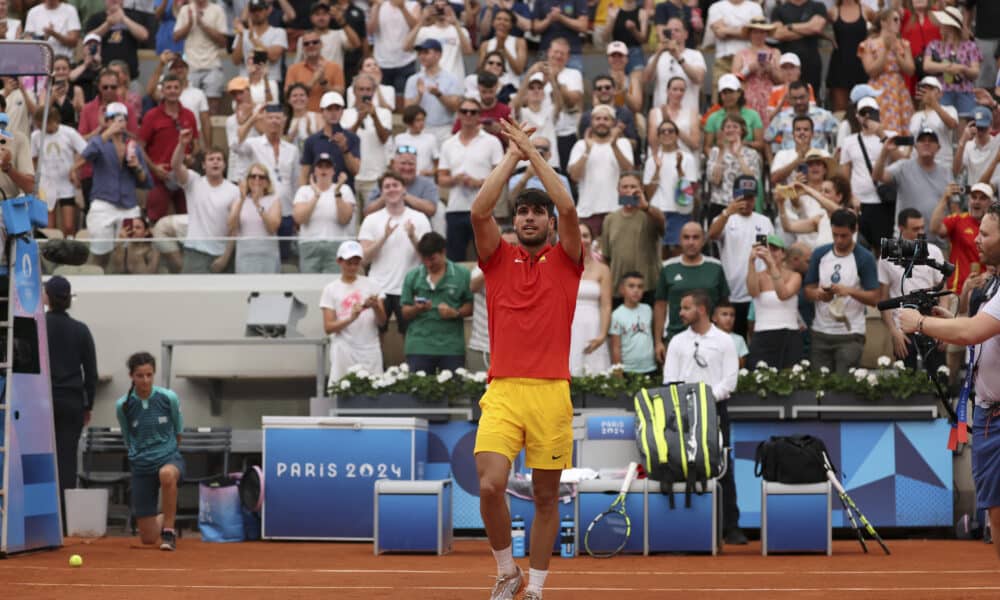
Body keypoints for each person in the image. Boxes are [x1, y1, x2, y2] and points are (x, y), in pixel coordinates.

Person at [472, 120, 582, 600]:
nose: (531, 218)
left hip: (551, 393)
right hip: (504, 391)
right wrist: (513, 157)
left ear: (550, 224)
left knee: (544, 497)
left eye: (539, 212)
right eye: (523, 213)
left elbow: (569, 205)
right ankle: (506, 571)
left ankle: (535, 588)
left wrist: (535, 154)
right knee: (491, 486)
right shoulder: (497, 259)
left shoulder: (567, 261)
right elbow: (479, 211)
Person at [897, 201, 1000, 560]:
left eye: (985, 234)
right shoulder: (994, 284)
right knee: (995, 512)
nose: (978, 241)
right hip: (989, 414)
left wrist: (922, 323)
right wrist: (947, 321)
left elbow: (973, 331)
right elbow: (977, 332)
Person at [662, 289, 744, 545]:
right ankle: (690, 525)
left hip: (715, 409)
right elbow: (670, 380)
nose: (681, 312)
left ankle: (731, 526)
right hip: (683, 412)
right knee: (685, 465)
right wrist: (687, 401)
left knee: (722, 465)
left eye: (686, 308)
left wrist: (706, 399)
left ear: (701, 310)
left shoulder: (724, 341)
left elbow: (730, 379)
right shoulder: (677, 341)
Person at [44, 275, 97, 534]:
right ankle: (64, 522)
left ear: (47, 297)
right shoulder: (81, 329)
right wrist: (89, 405)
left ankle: (41, 516)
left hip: (41, 402)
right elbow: (91, 372)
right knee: (67, 461)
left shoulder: (37, 325)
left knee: (41, 457)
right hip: (72, 402)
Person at [115, 351, 183, 551]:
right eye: (140, 375)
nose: (145, 380)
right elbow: (128, 436)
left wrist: (168, 452)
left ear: (154, 374)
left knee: (167, 474)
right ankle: (164, 517)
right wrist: (139, 456)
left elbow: (178, 431)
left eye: (149, 375)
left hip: (169, 458)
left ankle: (169, 531)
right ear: (131, 376)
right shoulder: (123, 405)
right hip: (142, 465)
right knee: (148, 538)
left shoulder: (168, 398)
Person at [803, 209, 880, 374]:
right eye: (835, 234)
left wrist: (849, 291)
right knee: (819, 387)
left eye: (844, 235)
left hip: (851, 333)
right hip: (820, 331)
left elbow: (875, 297)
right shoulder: (820, 254)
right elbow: (808, 290)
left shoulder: (864, 257)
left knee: (843, 388)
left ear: (854, 230)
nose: (839, 240)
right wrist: (820, 294)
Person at [358, 170, 433, 335]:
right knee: (375, 334)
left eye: (395, 185)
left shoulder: (420, 218)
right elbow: (363, 259)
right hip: (378, 287)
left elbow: (428, 259)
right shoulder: (371, 219)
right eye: (387, 187)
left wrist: (413, 237)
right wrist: (384, 237)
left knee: (410, 336)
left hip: (408, 288)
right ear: (382, 192)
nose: (391, 189)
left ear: (404, 189)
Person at [81, 102, 150, 268]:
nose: (119, 122)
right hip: (103, 204)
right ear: (107, 120)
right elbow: (85, 156)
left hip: (128, 205)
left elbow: (145, 181)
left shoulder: (132, 146)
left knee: (129, 256)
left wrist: (137, 167)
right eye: (114, 118)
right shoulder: (99, 142)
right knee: (100, 254)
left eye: (123, 119)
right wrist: (106, 133)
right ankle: (96, 285)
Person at [879, 208, 946, 369]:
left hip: (931, 323)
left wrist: (944, 327)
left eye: (923, 227)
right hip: (902, 328)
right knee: (906, 383)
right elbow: (884, 299)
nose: (921, 232)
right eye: (916, 229)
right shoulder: (887, 255)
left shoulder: (934, 251)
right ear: (901, 228)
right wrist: (894, 332)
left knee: (939, 377)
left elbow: (944, 293)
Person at [438, 97, 504, 261]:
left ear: (479, 115)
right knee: (454, 258)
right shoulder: (448, 144)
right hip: (455, 208)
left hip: (484, 208)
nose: (468, 115)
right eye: (464, 111)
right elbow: (441, 179)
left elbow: (501, 176)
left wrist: (479, 183)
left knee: (489, 257)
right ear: (458, 114)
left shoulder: (492, 142)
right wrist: (455, 179)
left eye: (473, 112)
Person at [708, 174, 774, 338]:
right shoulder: (725, 219)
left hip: (757, 292)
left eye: (750, 198)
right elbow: (712, 235)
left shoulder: (764, 221)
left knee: (755, 338)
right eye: (741, 197)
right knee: (732, 339)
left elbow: (768, 253)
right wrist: (726, 213)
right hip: (732, 292)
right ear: (734, 196)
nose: (745, 202)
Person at [653, 221, 729, 358]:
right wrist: (658, 342)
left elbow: (724, 305)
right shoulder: (668, 268)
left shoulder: (715, 267)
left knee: (705, 380)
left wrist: (724, 337)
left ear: (703, 240)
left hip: (710, 339)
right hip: (676, 337)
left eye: (695, 237)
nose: (691, 242)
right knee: (675, 379)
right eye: (686, 237)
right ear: (680, 240)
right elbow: (660, 306)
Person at [400, 231, 473, 372]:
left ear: (443, 252)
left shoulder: (462, 274)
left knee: (455, 391)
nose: (428, 264)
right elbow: (405, 312)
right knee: (418, 392)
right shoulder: (412, 276)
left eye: (432, 259)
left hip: (451, 347)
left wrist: (455, 313)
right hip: (419, 346)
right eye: (424, 259)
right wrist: (417, 309)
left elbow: (470, 306)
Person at [170, 130, 239, 274]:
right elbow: (176, 165)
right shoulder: (193, 182)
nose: (215, 162)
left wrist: (225, 258)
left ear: (224, 165)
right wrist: (182, 145)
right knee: (191, 296)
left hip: (222, 254)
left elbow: (234, 227)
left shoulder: (234, 190)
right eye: (211, 159)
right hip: (195, 251)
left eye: (219, 159)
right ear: (203, 165)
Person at [321, 240, 387, 383]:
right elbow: (328, 327)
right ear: (339, 261)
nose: (352, 267)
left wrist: (375, 306)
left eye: (356, 263)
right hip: (344, 349)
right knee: (341, 391)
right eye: (348, 263)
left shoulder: (372, 284)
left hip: (370, 348)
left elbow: (382, 322)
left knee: (374, 391)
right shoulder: (330, 289)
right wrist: (351, 318)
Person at [567, 104, 634, 236]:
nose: (601, 122)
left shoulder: (623, 143)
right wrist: (587, 150)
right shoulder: (580, 145)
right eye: (597, 119)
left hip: (617, 210)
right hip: (587, 211)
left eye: (606, 119)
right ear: (591, 122)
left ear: (613, 122)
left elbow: (628, 170)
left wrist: (614, 146)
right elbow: (574, 176)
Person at [139, 73, 197, 222]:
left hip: (183, 176)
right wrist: (154, 168)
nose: (172, 91)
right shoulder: (151, 116)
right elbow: (140, 147)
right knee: (154, 219)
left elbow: (195, 144)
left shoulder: (189, 115)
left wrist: (191, 157)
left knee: (188, 219)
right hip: (160, 177)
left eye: (176, 87)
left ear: (182, 89)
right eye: (168, 87)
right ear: (162, 91)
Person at [600, 172, 664, 305]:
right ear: (618, 189)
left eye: (633, 186)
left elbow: (662, 225)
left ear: (641, 188)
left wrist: (645, 206)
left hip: (647, 289)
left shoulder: (650, 214)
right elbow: (605, 258)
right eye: (625, 187)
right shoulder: (609, 219)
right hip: (619, 290)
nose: (629, 190)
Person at [839, 95, 893, 248]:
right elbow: (844, 175)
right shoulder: (849, 141)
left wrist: (882, 135)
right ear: (857, 116)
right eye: (864, 112)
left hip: (884, 201)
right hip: (859, 203)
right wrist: (849, 198)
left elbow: (901, 159)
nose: (868, 117)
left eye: (872, 112)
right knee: (859, 247)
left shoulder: (891, 135)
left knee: (884, 251)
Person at [873, 127, 949, 228]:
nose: (926, 143)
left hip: (937, 239)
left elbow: (954, 205)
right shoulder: (902, 167)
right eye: (922, 140)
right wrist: (885, 151)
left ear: (938, 147)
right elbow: (878, 176)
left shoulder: (946, 171)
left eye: (931, 140)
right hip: (907, 239)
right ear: (916, 146)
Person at [643, 117, 698, 257]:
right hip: (657, 212)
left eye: (670, 131)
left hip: (679, 212)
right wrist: (656, 170)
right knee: (657, 255)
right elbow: (648, 195)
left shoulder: (688, 158)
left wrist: (679, 169)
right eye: (663, 131)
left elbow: (688, 196)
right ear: (658, 136)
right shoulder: (651, 160)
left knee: (679, 254)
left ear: (677, 134)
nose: (667, 134)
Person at [746, 234, 803, 369]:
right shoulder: (758, 276)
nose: (770, 253)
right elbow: (753, 292)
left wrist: (771, 265)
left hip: (788, 334)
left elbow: (783, 294)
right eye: (767, 249)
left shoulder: (794, 276)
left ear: (783, 254)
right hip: (762, 334)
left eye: (775, 249)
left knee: (789, 379)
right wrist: (751, 261)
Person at [293, 154, 355, 273]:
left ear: (333, 171)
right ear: (314, 171)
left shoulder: (344, 189)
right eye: (320, 166)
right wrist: (316, 195)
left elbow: (344, 219)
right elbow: (300, 219)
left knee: (332, 285)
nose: (323, 170)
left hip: (335, 244)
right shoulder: (304, 191)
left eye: (327, 166)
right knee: (308, 287)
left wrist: (337, 193)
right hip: (309, 245)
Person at [30, 106, 86, 237]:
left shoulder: (69, 133)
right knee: (49, 227)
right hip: (46, 184)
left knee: (68, 226)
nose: (41, 128)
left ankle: (69, 251)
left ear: (54, 120)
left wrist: (75, 169)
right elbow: (33, 159)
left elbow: (86, 152)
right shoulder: (36, 136)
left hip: (66, 184)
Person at [858, 8, 915, 135]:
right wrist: (885, 49)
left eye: (900, 20)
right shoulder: (867, 44)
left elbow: (910, 70)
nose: (898, 23)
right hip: (878, 89)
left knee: (903, 128)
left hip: (898, 89)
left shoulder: (904, 44)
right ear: (883, 22)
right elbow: (871, 71)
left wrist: (895, 51)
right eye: (895, 19)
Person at [341, 73, 393, 206]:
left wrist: (374, 116)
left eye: (368, 89)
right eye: (361, 89)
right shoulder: (345, 114)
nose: (365, 93)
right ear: (354, 91)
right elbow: (344, 141)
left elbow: (384, 138)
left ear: (374, 91)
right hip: (352, 175)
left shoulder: (384, 113)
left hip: (375, 176)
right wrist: (359, 121)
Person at [931, 182, 992, 294]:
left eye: (983, 198)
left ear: (991, 203)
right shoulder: (959, 220)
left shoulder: (996, 227)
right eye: (974, 197)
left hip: (985, 291)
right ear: (969, 200)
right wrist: (945, 198)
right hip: (957, 291)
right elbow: (935, 228)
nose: (977, 201)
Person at [922, 6, 980, 119]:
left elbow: (976, 71)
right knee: (943, 125)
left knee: (964, 127)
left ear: (952, 26)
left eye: (943, 23)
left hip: (965, 93)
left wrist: (962, 69)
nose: (940, 26)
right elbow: (926, 65)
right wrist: (947, 67)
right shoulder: (934, 45)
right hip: (942, 92)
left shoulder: (970, 46)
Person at [570, 222, 612, 376]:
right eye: (578, 235)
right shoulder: (562, 267)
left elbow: (606, 306)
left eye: (586, 235)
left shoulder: (603, 269)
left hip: (593, 325)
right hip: (569, 326)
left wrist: (602, 335)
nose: (583, 239)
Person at [705, 114, 763, 223]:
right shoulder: (715, 152)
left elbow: (753, 180)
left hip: (743, 205)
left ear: (742, 130)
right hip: (719, 205)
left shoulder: (751, 153)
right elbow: (715, 180)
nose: (731, 130)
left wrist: (738, 156)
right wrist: (721, 152)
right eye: (727, 127)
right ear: (722, 131)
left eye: (735, 127)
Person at [405, 38, 463, 144]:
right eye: (420, 53)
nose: (422, 56)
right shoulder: (413, 79)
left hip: (444, 129)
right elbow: (407, 109)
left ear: (438, 55)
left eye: (426, 52)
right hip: (420, 129)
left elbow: (455, 107)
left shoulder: (452, 78)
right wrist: (419, 95)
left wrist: (439, 94)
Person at [644, 17, 705, 114]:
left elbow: (698, 78)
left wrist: (678, 56)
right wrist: (658, 53)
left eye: (677, 30)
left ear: (686, 34)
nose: (672, 33)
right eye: (669, 31)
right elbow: (646, 79)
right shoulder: (656, 57)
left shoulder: (695, 55)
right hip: (662, 118)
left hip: (688, 117)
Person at [228, 163, 282, 273]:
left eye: (261, 177)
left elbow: (272, 228)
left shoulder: (274, 200)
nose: (257, 179)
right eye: (253, 176)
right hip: (245, 256)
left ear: (267, 182)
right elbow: (231, 226)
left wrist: (257, 204)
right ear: (248, 180)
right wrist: (242, 200)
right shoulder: (238, 200)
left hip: (267, 256)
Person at [704, 0, 762, 103]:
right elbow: (719, 33)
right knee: (719, 101)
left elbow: (757, 33)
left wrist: (727, 29)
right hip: (724, 62)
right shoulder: (716, 7)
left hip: (748, 62)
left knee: (746, 100)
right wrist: (745, 30)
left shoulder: (755, 8)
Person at [770, 0, 828, 97]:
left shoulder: (818, 6)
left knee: (811, 97)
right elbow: (777, 34)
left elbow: (816, 28)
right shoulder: (778, 9)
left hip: (811, 63)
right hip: (787, 64)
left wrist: (789, 26)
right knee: (787, 96)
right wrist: (808, 29)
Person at [404, 0, 472, 81]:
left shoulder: (460, 31)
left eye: (443, 6)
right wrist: (422, 21)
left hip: (454, 80)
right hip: (429, 81)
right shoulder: (424, 31)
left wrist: (456, 23)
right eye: (437, 7)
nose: (440, 9)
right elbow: (406, 47)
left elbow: (468, 52)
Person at [766, 80, 838, 155]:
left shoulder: (824, 116)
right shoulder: (781, 117)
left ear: (809, 95)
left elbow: (838, 136)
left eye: (802, 97)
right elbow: (766, 139)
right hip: (789, 161)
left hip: (816, 161)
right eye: (795, 98)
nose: (798, 101)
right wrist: (772, 163)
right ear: (789, 98)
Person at [731, 17, 779, 129]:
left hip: (770, 98)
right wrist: (748, 69)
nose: (759, 35)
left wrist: (770, 69)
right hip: (748, 98)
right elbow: (733, 81)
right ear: (750, 34)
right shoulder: (740, 54)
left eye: (762, 32)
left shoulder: (775, 52)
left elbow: (781, 79)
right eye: (755, 32)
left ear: (766, 34)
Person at [283, 29, 346, 111]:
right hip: (302, 117)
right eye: (306, 44)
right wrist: (313, 80)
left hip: (327, 119)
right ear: (302, 48)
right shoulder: (293, 69)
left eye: (315, 42)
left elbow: (339, 95)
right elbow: (287, 96)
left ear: (321, 44)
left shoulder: (335, 67)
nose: (311, 45)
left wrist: (323, 82)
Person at [609, 271, 657, 377]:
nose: (636, 290)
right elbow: (615, 347)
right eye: (631, 286)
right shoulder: (617, 315)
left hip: (650, 368)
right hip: (628, 369)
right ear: (622, 289)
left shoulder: (648, 309)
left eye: (640, 287)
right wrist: (618, 372)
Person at [231, 0, 288, 86]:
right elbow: (236, 61)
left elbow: (273, 57)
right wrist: (242, 36)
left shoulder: (279, 32)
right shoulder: (242, 33)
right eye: (253, 11)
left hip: (270, 80)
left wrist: (253, 40)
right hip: (246, 80)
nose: (257, 13)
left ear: (268, 11)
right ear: (249, 13)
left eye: (260, 10)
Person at [826, 0, 868, 113]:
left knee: (863, 108)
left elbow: (879, 24)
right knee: (840, 110)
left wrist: (871, 41)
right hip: (839, 65)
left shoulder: (865, 9)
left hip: (861, 66)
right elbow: (818, 27)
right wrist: (828, 37)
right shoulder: (833, 11)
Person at [908, 76, 959, 170]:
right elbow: (910, 146)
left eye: (931, 89)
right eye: (923, 89)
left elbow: (952, 124)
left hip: (941, 165)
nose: (926, 92)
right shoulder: (915, 116)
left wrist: (934, 103)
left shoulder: (949, 109)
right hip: (917, 167)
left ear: (940, 94)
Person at [394, 105, 439, 177]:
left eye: (423, 120)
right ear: (408, 122)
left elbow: (438, 165)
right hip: (405, 181)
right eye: (418, 120)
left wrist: (429, 172)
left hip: (425, 181)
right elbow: (395, 163)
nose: (422, 123)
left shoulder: (431, 138)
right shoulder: (399, 139)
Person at [712, 298, 749, 368]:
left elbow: (742, 365)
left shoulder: (739, 339)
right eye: (724, 314)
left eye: (732, 315)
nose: (729, 318)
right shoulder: (708, 337)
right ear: (714, 318)